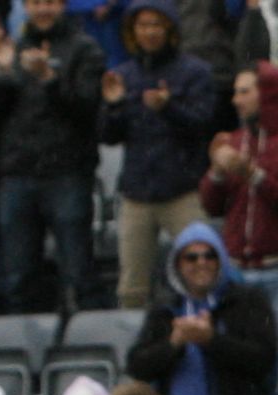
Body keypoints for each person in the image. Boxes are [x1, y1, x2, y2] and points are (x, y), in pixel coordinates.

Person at [129, 221, 278, 395]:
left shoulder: (248, 300)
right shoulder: (165, 309)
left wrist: (211, 341)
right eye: (191, 257)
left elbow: (263, 359)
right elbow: (137, 365)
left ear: (221, 259)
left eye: (210, 255)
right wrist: (174, 344)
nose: (202, 263)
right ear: (177, 264)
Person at [205, 65, 278, 395]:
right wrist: (216, 172)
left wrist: (252, 174)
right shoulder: (234, 141)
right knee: (241, 360)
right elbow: (212, 205)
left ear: (269, 96)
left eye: (245, 92)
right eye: (235, 92)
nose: (236, 100)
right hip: (237, 271)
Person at [105, 0, 224, 310]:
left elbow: (203, 122)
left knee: (203, 274)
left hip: (183, 191)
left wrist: (168, 107)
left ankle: (208, 328)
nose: (150, 32)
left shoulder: (195, 72)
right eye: (143, 25)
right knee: (132, 288)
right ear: (132, 31)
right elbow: (108, 135)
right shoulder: (122, 74)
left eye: (156, 24)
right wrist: (114, 105)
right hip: (137, 194)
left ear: (170, 29)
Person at [0, 0, 107, 316]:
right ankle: (24, 344)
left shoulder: (86, 49)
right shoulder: (12, 50)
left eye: (49, 1)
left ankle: (91, 339)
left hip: (67, 173)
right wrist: (0, 76)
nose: (42, 9)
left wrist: (49, 78)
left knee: (79, 273)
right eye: (35, 2)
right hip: (18, 174)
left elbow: (87, 108)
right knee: (17, 278)